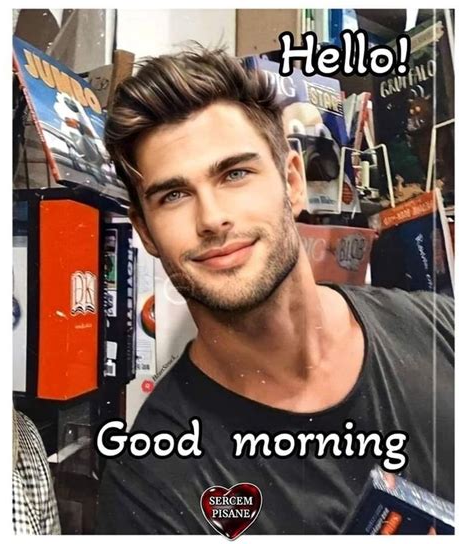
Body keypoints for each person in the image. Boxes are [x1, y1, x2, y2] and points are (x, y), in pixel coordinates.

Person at [96, 46, 454, 535]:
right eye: (174, 195)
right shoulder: (152, 487)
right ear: (145, 231)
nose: (212, 219)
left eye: (236, 174)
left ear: (293, 181)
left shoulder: (443, 331)